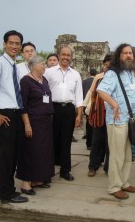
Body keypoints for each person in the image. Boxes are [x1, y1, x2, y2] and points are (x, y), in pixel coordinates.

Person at [97, 43, 135, 199]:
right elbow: (101, 90)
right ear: (119, 56)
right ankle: (114, 186)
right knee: (117, 154)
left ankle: (124, 183)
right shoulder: (113, 74)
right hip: (117, 120)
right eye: (125, 53)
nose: (128, 55)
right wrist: (114, 104)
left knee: (128, 153)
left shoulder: (131, 74)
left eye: (130, 53)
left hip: (130, 120)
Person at [0, 30, 28, 203]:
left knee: (12, 155)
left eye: (17, 43)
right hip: (3, 114)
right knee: (4, 157)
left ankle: (4, 189)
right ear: (4, 44)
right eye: (11, 43)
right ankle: (7, 194)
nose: (14, 46)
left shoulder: (15, 65)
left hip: (14, 114)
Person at [16, 55, 54, 195]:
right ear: (34, 66)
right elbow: (23, 105)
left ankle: (37, 178)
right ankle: (26, 183)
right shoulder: (25, 81)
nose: (45, 66)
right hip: (33, 121)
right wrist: (27, 124)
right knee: (30, 150)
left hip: (45, 122)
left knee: (42, 151)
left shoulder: (44, 80)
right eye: (42, 64)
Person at [44, 46, 83, 181]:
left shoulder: (75, 74)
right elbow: (43, 91)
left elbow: (79, 96)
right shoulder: (49, 72)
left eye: (68, 55)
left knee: (66, 141)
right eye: (63, 55)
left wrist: (79, 115)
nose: (66, 57)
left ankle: (65, 170)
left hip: (68, 110)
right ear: (59, 56)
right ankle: (47, 172)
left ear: (71, 57)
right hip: (52, 108)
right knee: (51, 141)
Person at [86, 54, 112, 176]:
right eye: (106, 65)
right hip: (99, 115)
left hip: (113, 117)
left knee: (110, 144)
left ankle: (108, 167)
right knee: (96, 142)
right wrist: (91, 114)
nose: (107, 67)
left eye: (110, 65)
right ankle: (93, 166)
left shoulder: (119, 80)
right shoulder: (99, 79)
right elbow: (93, 98)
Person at [82, 68, 97, 150]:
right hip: (94, 106)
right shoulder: (98, 80)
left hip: (87, 106)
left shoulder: (84, 81)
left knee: (88, 126)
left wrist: (83, 105)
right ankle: (93, 143)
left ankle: (88, 143)